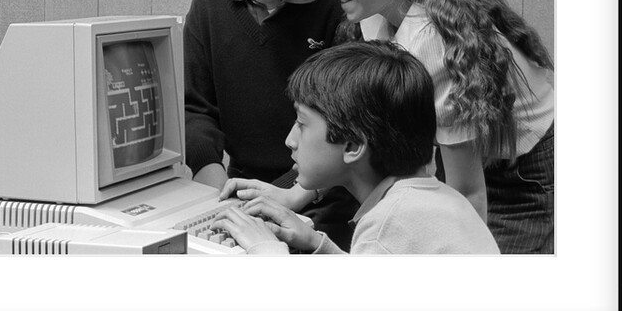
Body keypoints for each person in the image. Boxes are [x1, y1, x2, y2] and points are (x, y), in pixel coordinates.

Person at [303, 0, 554, 254]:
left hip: (522, 176)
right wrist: (296, 196)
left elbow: (466, 201)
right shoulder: (374, 13)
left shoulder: (433, 44)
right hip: (469, 165)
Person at [184, 0, 357, 248]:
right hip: (240, 190)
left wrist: (289, 195)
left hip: (326, 196)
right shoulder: (209, 1)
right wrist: (219, 192)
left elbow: (348, 126)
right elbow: (195, 109)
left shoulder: (337, 5)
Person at [212, 41, 500, 254]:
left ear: (352, 146)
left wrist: (267, 251)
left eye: (301, 124)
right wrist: (317, 244)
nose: (290, 140)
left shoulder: (388, 224)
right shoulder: (437, 201)